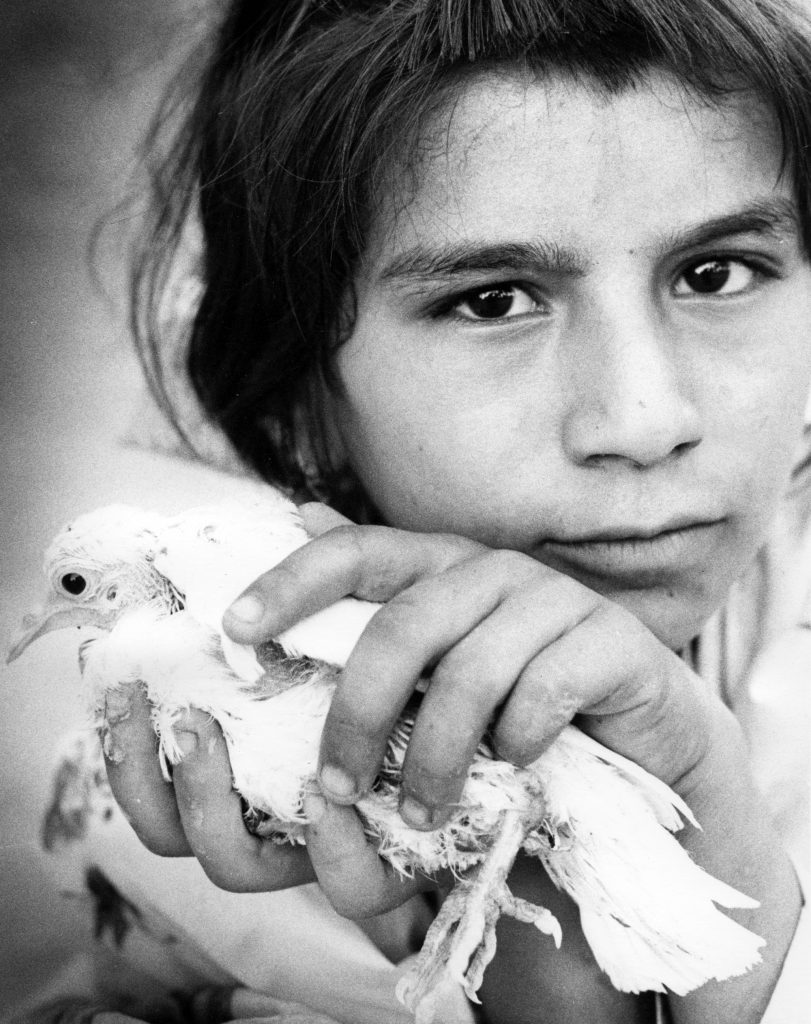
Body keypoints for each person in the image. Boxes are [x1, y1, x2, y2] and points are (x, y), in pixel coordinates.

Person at [23, 0, 811, 1021]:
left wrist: (733, 892)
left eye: (716, 273)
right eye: (490, 299)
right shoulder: (189, 779)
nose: (642, 418)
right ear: (299, 399)